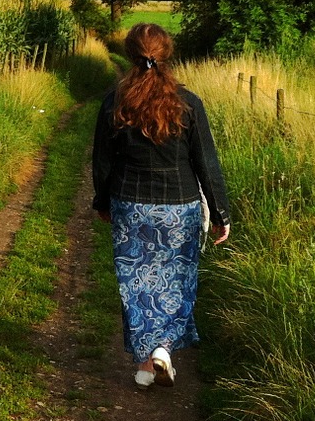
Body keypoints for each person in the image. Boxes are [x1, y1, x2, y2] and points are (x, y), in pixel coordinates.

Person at [91, 23, 231, 389]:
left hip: (130, 204)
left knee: (136, 281)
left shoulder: (114, 102)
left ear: (129, 54)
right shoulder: (188, 103)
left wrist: (102, 201)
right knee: (176, 281)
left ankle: (146, 360)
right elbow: (206, 162)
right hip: (179, 207)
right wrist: (220, 213)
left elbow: (103, 161)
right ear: (167, 55)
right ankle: (163, 350)